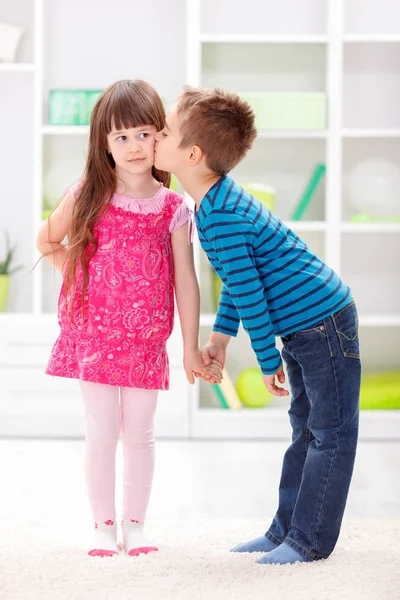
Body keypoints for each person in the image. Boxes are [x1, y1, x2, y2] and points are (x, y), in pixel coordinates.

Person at [153, 86, 361, 565]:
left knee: (329, 433)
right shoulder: (213, 204)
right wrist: (221, 338)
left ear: (192, 153)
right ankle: (285, 531)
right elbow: (239, 280)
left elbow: (249, 292)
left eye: (163, 131)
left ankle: (309, 543)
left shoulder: (221, 212)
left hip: (323, 323)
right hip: (304, 326)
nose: (156, 139)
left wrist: (266, 362)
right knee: (305, 430)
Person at [36, 80, 222, 557]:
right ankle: (103, 526)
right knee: (101, 431)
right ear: (105, 144)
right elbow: (48, 242)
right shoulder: (89, 194)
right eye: (122, 137)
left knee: (139, 433)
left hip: (145, 342)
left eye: (144, 134)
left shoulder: (174, 208)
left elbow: (186, 280)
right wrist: (82, 281)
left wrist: (187, 346)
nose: (135, 147)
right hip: (94, 336)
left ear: (160, 135)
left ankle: (135, 527)